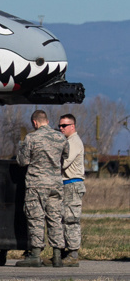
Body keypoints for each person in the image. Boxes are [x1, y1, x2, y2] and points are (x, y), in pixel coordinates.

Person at [15, 109, 69, 267]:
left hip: (36, 183)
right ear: (47, 120)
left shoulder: (32, 137)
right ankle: (57, 255)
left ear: (34, 122)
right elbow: (65, 156)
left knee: (36, 218)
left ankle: (36, 254)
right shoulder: (60, 137)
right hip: (55, 183)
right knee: (55, 218)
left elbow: (23, 161)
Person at [59, 113, 84, 267]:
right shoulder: (67, 141)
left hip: (73, 184)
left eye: (64, 126)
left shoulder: (74, 142)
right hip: (66, 184)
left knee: (71, 219)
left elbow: (64, 163)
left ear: (72, 126)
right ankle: (63, 253)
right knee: (63, 219)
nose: (61, 128)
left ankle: (73, 254)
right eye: (60, 126)